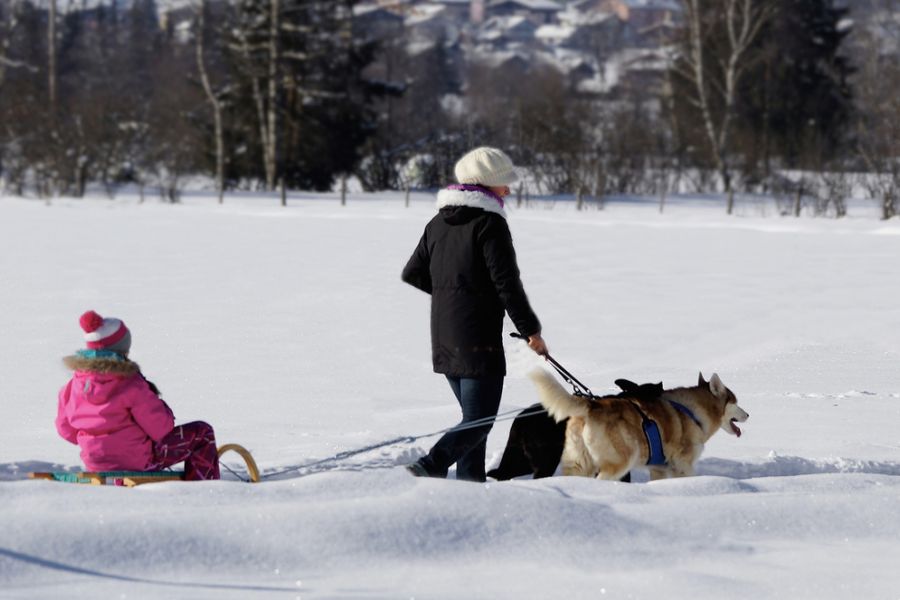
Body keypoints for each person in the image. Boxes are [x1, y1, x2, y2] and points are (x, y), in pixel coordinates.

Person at [401, 146, 548, 482]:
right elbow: (506, 284)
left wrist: (453, 298)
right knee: (480, 420)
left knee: (472, 420)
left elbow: (413, 272)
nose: (509, 189)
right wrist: (531, 332)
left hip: (444, 335)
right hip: (478, 337)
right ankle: (429, 465)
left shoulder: (437, 223)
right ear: (485, 184)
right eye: (503, 183)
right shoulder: (490, 223)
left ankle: (470, 488)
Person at [55, 310, 220, 481]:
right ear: (123, 349)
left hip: (95, 462)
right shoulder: (131, 384)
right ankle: (202, 488)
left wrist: (97, 442)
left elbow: (65, 429)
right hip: (138, 462)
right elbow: (161, 429)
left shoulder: (73, 385)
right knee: (202, 433)